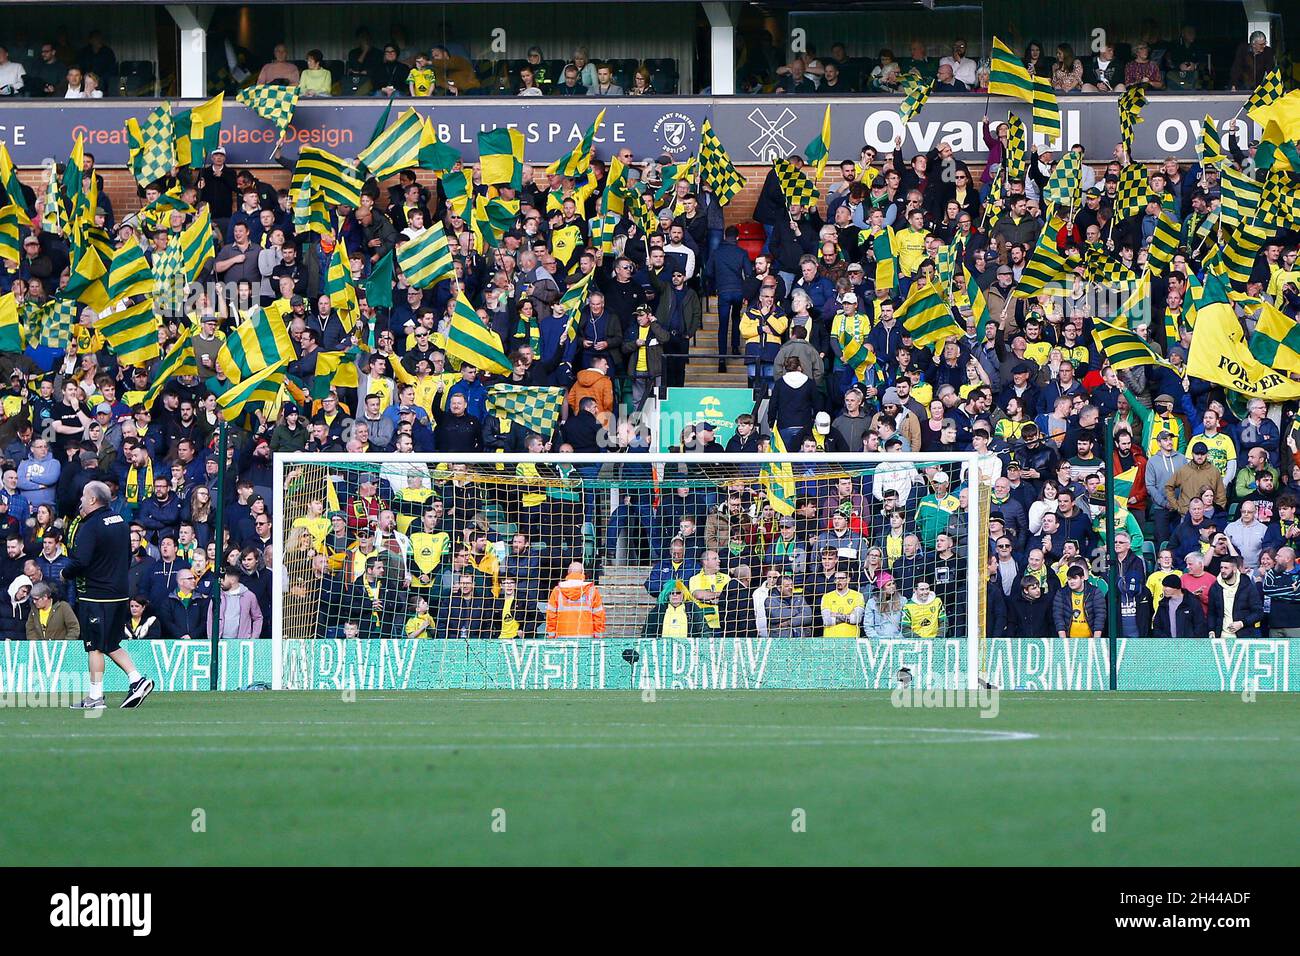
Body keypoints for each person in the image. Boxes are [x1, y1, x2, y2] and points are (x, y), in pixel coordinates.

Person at [62, 481, 154, 709]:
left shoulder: (91, 525)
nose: (81, 500)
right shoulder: (121, 521)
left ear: (93, 499)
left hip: (96, 595)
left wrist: (65, 573)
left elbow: (81, 561)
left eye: (84, 496)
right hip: (119, 593)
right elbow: (126, 556)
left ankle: (95, 697)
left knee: (94, 646)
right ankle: (137, 680)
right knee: (111, 643)